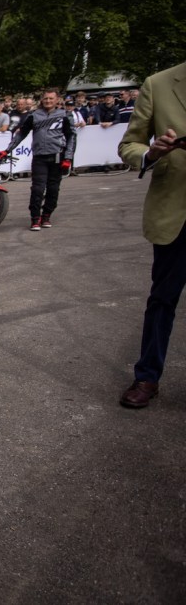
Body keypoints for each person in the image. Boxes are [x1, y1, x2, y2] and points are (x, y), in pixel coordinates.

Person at [116, 61, 186, 408]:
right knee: (162, 299)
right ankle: (147, 376)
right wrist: (150, 152)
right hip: (175, 211)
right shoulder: (159, 84)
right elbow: (129, 144)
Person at [4, 88, 75, 230]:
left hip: (57, 157)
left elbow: (71, 136)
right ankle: (35, 218)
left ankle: (46, 215)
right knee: (37, 189)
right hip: (39, 158)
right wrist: (7, 150)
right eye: (46, 98)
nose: (48, 101)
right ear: (42, 100)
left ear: (57, 100)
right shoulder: (34, 115)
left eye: (51, 98)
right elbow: (21, 133)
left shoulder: (65, 115)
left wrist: (68, 157)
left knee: (53, 189)